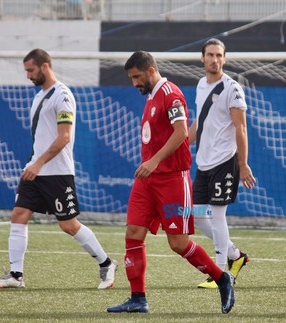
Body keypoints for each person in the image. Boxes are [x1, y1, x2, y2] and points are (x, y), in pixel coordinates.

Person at [106, 50, 235, 314]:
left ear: (151, 70)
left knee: (177, 243)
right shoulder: (152, 95)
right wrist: (149, 165)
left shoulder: (171, 93)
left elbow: (180, 133)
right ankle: (138, 298)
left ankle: (222, 278)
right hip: (147, 181)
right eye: (131, 78)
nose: (134, 83)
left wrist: (154, 161)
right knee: (133, 233)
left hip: (172, 181)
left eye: (137, 77)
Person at [0, 48, 117, 290]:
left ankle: (106, 263)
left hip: (56, 172)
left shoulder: (63, 95)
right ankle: (16, 276)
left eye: (31, 70)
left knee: (68, 225)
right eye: (26, 71)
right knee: (19, 215)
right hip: (35, 170)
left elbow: (64, 137)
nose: (28, 76)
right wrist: (33, 163)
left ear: (45, 67)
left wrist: (39, 163)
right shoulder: (38, 97)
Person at [188, 38, 256, 289]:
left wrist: (243, 163)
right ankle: (235, 256)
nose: (214, 59)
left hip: (225, 161)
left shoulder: (232, 88)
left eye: (218, 55)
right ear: (202, 58)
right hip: (203, 163)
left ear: (224, 59)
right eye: (210, 54)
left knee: (217, 216)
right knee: (195, 215)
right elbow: (199, 121)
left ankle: (220, 275)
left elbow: (241, 127)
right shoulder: (200, 85)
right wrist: (183, 142)